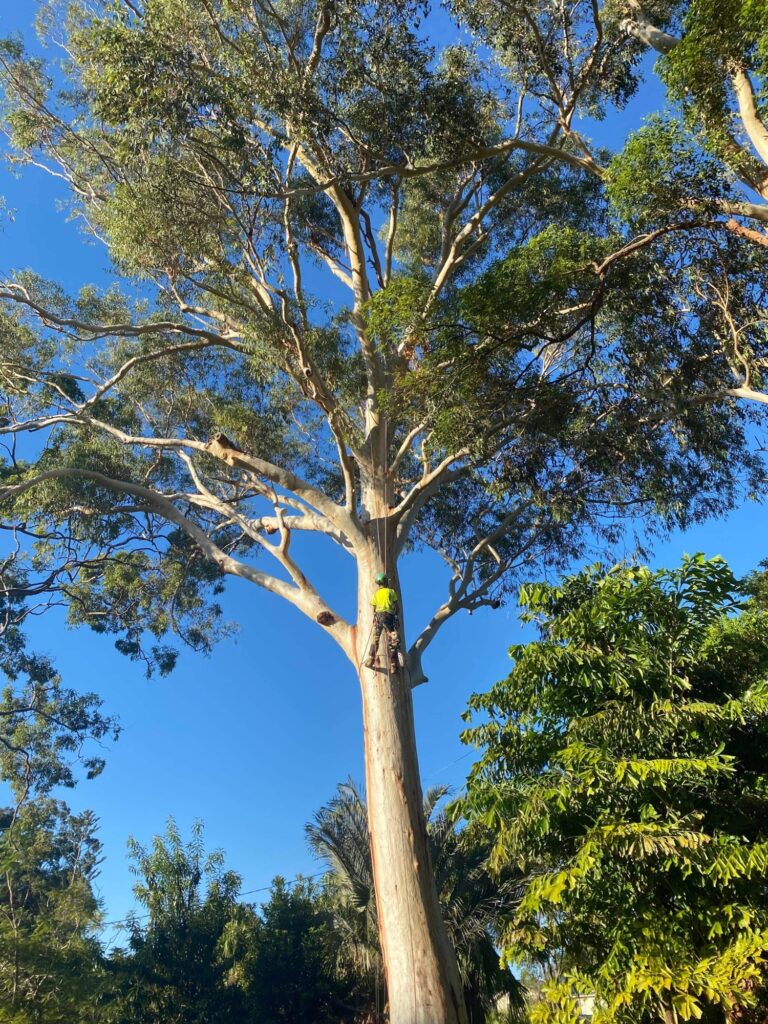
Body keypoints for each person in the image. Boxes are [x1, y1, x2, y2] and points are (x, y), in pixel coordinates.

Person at [364, 573, 404, 672]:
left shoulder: (376, 594)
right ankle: (394, 664)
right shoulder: (391, 592)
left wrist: (376, 616)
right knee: (393, 639)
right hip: (389, 617)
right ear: (386, 582)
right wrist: (396, 614)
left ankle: (370, 658)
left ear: (378, 583)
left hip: (379, 617)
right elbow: (397, 607)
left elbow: (373, 608)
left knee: (375, 639)